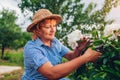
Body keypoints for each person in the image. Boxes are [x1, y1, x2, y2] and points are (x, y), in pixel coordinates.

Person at [21, 9, 102, 80]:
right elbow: (51, 73)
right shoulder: (32, 48)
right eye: (48, 27)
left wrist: (79, 48)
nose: (53, 30)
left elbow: (71, 56)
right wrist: (86, 57)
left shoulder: (55, 42)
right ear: (37, 31)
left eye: (54, 26)